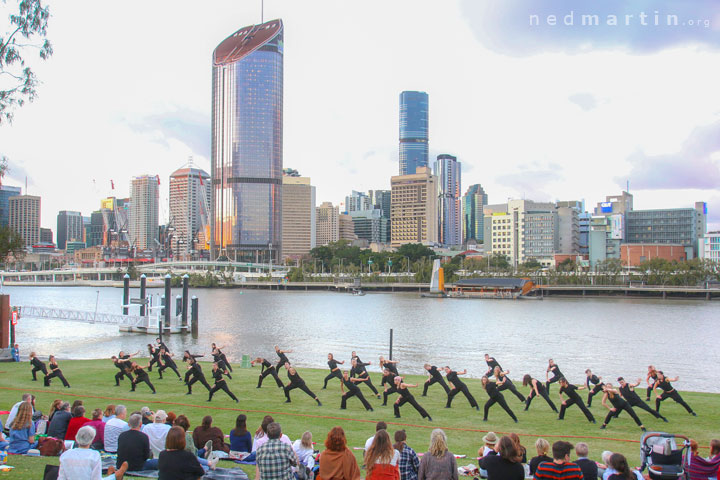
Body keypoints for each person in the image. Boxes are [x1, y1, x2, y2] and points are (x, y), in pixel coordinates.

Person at [58, 425, 129, 480]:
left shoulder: (65, 455)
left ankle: (113, 476)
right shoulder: (94, 455)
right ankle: (114, 476)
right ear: (91, 440)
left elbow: (61, 478)